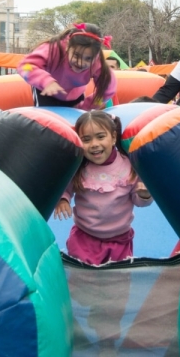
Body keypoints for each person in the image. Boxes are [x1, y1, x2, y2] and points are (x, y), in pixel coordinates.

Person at [54, 111, 153, 265]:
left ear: (113, 137)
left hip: (119, 240)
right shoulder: (80, 166)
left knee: (118, 281)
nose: (94, 144)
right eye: (86, 139)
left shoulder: (128, 166)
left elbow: (139, 201)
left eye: (100, 137)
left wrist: (144, 195)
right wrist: (63, 199)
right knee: (82, 278)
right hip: (84, 238)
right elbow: (66, 187)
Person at [18, 23, 116, 110]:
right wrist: (46, 81)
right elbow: (25, 66)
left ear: (96, 55)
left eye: (88, 59)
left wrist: (86, 106)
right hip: (46, 91)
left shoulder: (98, 64)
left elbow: (107, 91)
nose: (80, 63)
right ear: (68, 46)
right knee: (48, 123)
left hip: (75, 96)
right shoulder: (53, 49)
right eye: (76, 55)